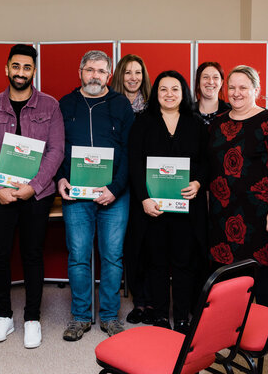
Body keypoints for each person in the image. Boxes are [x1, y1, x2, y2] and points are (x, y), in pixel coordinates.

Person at [0, 44, 64, 349]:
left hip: (36, 196)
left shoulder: (50, 106)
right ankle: (4, 316)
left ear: (34, 71)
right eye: (16, 66)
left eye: (27, 67)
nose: (21, 73)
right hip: (0, 195)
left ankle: (32, 319)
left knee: (32, 255)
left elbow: (56, 151)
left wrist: (35, 186)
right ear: (7, 68)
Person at [57, 50, 134, 340]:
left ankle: (110, 317)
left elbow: (130, 151)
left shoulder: (120, 104)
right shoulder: (65, 105)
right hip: (76, 194)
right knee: (78, 256)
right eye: (90, 70)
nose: (95, 76)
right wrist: (60, 177)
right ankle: (80, 317)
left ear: (109, 75)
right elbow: (57, 147)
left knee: (112, 257)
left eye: (101, 71)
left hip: (114, 193)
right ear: (80, 71)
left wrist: (115, 188)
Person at [128, 71, 208, 333]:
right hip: (154, 209)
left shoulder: (196, 123)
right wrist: (143, 199)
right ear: (156, 93)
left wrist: (197, 183)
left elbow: (206, 162)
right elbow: (135, 164)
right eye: (163, 89)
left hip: (186, 209)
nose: (169, 94)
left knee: (185, 264)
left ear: (183, 92)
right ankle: (161, 316)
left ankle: (182, 317)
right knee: (157, 263)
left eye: (175, 89)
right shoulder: (143, 122)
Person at [207, 65, 268, 308]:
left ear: (256, 90)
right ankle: (228, 327)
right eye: (232, 87)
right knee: (227, 274)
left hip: (260, 213)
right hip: (222, 211)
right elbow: (209, 165)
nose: (236, 93)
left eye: (243, 87)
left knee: (262, 272)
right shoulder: (216, 124)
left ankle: (263, 330)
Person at [111, 55, 153, 324]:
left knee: (148, 243)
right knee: (128, 245)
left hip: (147, 184)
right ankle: (138, 301)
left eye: (138, 72)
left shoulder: (154, 107)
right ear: (119, 76)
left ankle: (150, 301)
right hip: (116, 183)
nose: (133, 78)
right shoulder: (109, 105)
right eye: (127, 73)